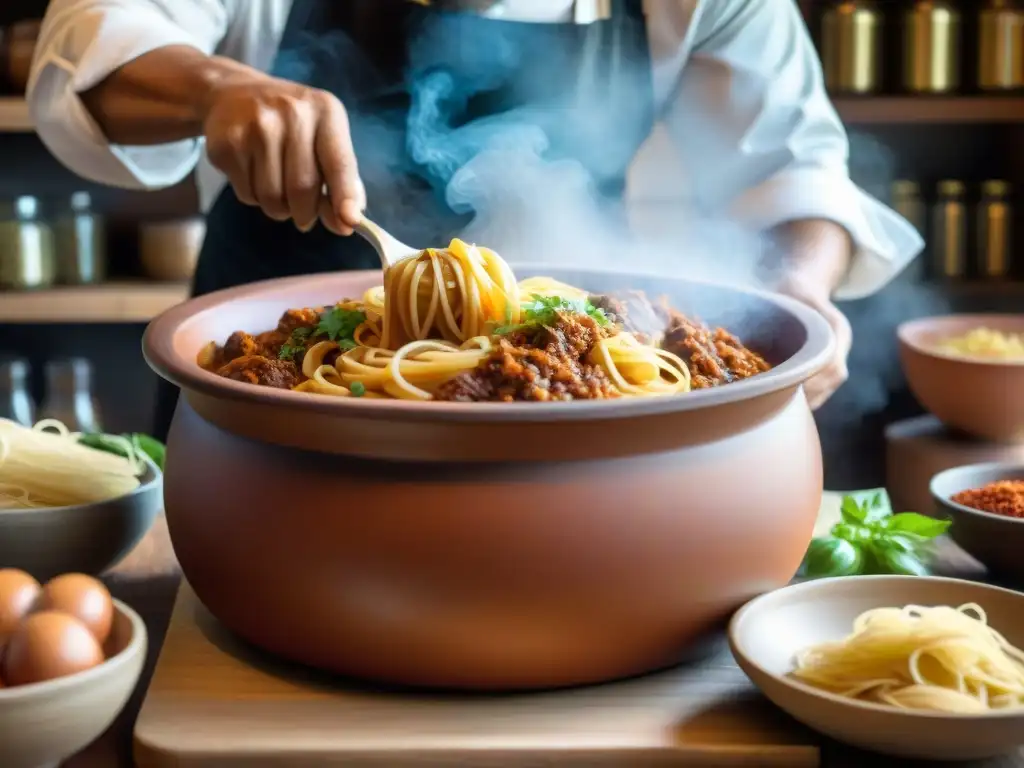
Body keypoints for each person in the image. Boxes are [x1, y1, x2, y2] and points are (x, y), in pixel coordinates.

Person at [28, 0, 922, 444]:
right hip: (273, 417)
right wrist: (219, 87)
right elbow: (90, 45)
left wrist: (797, 290)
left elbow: (796, 168)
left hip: (577, 403)